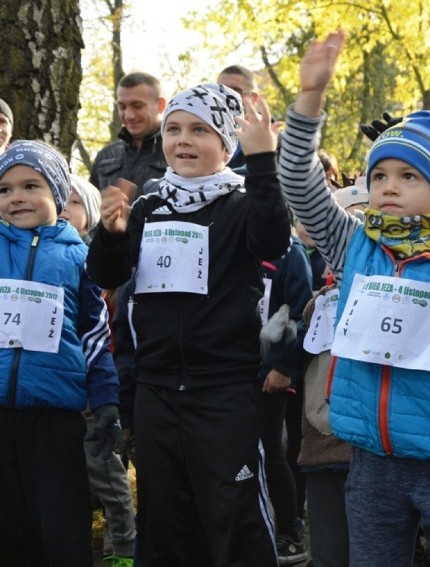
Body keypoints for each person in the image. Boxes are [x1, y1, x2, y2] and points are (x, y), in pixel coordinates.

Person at [278, 31, 430, 566]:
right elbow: (296, 178)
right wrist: (310, 98)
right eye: (380, 173)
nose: (388, 185)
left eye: (408, 175)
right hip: (370, 459)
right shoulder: (354, 247)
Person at [86, 82, 291, 565]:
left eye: (199, 130)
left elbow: (273, 239)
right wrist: (112, 235)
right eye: (174, 128)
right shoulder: (149, 205)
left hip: (223, 392)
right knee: (163, 520)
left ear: (225, 143)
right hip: (158, 390)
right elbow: (108, 275)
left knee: (232, 517)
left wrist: (262, 162)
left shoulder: (241, 203)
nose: (182, 139)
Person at [0, 140, 121, 566]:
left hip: (54, 419)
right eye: (5, 189)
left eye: (30, 185)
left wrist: (105, 399)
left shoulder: (80, 257)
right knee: (8, 531)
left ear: (56, 191)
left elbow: (94, 333)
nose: (17, 197)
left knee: (61, 528)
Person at [59, 175, 137, 565]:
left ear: (90, 216)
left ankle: (121, 548)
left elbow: (103, 334)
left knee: (108, 477)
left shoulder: (100, 264)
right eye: (58, 198)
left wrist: (107, 393)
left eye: (73, 201)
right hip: (53, 398)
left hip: (93, 397)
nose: (62, 207)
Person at [258, 233, 313, 564]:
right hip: (229, 369)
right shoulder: (230, 236)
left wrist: (284, 366)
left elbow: (302, 311)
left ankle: (290, 534)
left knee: (270, 450)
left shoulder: (290, 251)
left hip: (271, 374)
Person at [89, 72, 168, 197]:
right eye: (122, 106)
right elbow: (90, 210)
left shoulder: (177, 152)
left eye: (137, 106)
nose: (129, 115)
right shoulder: (106, 156)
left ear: (160, 105)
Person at [217, 64, 261, 171]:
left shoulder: (277, 145)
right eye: (219, 91)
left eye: (235, 92)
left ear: (254, 99)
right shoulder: (202, 138)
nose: (225, 97)